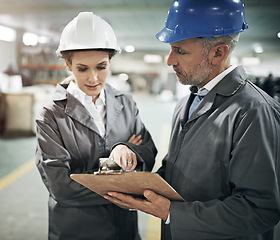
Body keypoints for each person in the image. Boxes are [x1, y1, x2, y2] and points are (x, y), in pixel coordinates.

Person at [104, 1, 280, 239]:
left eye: (180, 51)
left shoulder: (253, 111)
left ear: (218, 53)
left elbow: (259, 210)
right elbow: (175, 173)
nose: (169, 60)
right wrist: (134, 185)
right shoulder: (188, 102)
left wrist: (171, 213)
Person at [35, 12, 157, 240]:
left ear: (111, 61)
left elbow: (148, 153)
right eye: (82, 68)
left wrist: (126, 149)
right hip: (78, 229)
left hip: (124, 228)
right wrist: (120, 172)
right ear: (68, 64)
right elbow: (62, 188)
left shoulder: (125, 102)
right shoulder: (51, 116)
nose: (93, 78)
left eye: (101, 67)